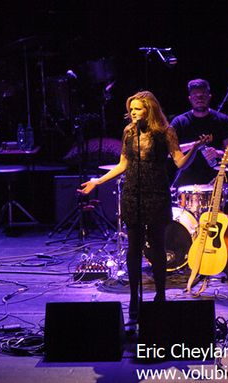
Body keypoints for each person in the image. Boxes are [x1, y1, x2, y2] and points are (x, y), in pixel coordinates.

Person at [78, 90, 209, 320]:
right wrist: (97, 181)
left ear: (149, 109)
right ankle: (133, 298)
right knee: (134, 247)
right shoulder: (129, 132)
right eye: (132, 109)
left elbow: (179, 162)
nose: (133, 113)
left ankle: (160, 295)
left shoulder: (165, 133)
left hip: (156, 192)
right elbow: (122, 164)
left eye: (138, 109)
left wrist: (195, 149)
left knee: (157, 246)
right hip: (133, 193)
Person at [170, 79, 228, 188]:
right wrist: (195, 145)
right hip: (186, 183)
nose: (199, 99)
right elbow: (169, 152)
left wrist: (218, 153)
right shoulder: (179, 122)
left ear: (209, 96)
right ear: (190, 99)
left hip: (217, 181)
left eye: (203, 95)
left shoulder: (222, 121)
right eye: (195, 95)